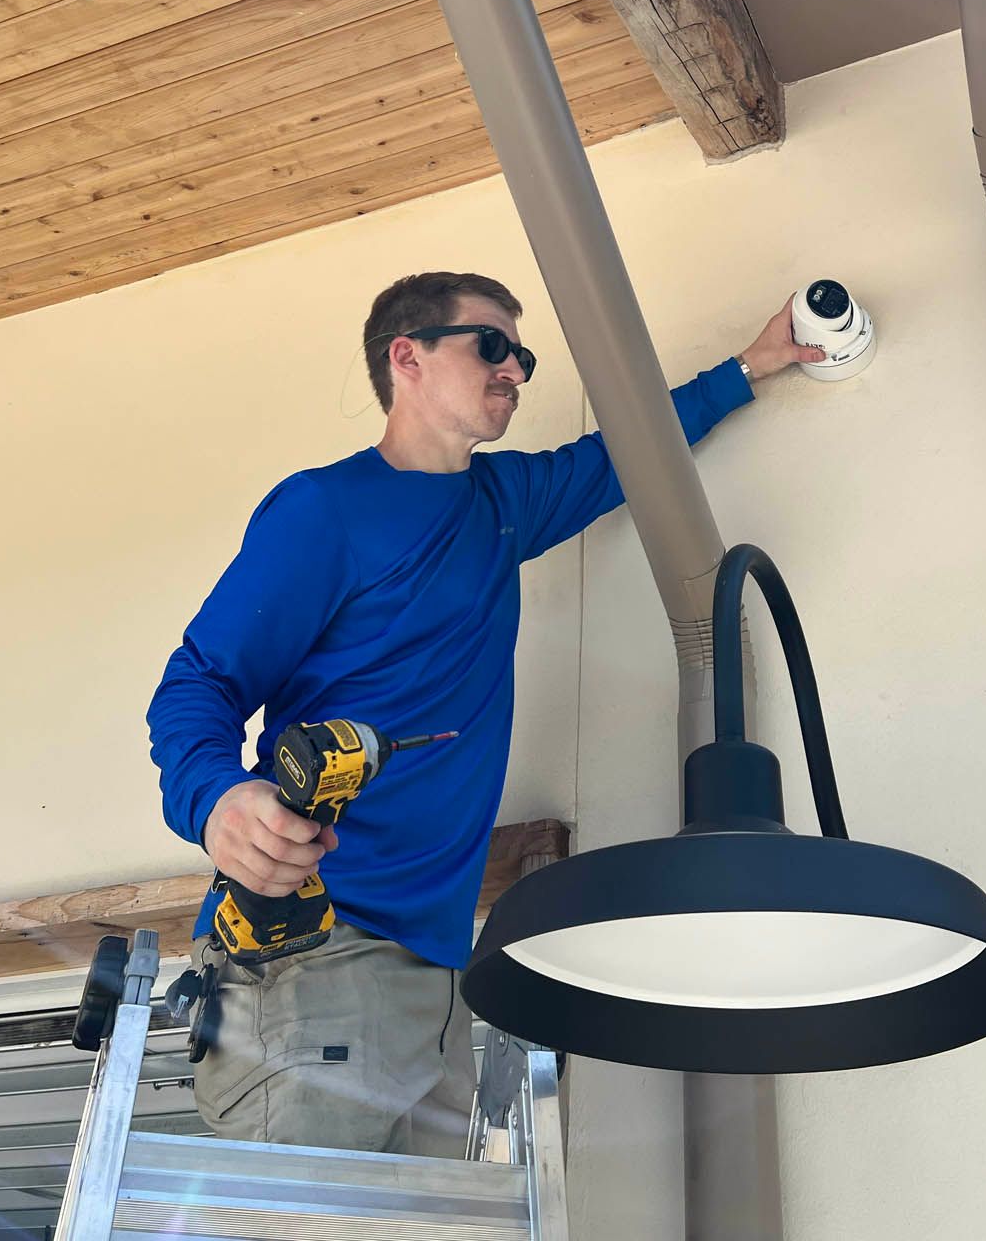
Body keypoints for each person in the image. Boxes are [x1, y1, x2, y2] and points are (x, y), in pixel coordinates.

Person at [147, 269, 824, 1156]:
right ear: (408, 356)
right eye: (491, 345)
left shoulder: (499, 507)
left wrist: (753, 365)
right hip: (312, 955)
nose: (514, 368)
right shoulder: (327, 509)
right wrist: (217, 800)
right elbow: (197, 680)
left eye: (523, 355)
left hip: (436, 977)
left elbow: (623, 455)